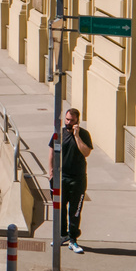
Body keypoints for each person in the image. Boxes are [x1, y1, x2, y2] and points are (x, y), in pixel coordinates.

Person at [49, 107, 93, 253]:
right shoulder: (59, 134)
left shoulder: (84, 134)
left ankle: (73, 239)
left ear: (77, 122)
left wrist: (77, 135)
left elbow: (86, 152)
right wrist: (51, 173)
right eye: (67, 119)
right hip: (62, 177)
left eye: (71, 120)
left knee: (74, 211)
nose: (68, 122)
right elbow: (51, 153)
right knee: (60, 208)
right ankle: (62, 235)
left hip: (78, 179)